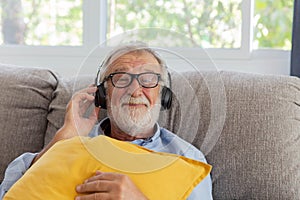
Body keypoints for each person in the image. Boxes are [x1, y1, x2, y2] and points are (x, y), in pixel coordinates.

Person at [0, 42, 213, 199]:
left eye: (148, 79)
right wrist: (63, 139)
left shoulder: (188, 160)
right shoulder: (69, 143)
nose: (135, 90)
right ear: (103, 95)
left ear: (163, 95)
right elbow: (10, 193)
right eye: (121, 79)